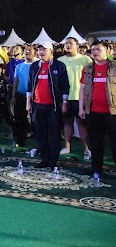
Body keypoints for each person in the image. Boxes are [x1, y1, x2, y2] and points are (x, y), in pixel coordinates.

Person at [26, 42, 70, 170]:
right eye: (39, 50)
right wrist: (28, 103)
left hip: (53, 106)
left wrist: (65, 102)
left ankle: (53, 161)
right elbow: (30, 86)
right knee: (40, 134)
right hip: (37, 106)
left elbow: (65, 86)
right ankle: (44, 159)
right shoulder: (35, 66)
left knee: (53, 134)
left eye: (44, 49)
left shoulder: (59, 66)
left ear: (51, 51)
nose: (41, 52)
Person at [79, 41, 116, 175]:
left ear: (107, 51)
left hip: (112, 112)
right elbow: (82, 88)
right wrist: (81, 108)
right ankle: (96, 168)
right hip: (93, 111)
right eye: (93, 49)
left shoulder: (114, 66)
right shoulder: (88, 68)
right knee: (95, 142)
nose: (95, 52)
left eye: (98, 49)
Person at [58, 37, 92, 157]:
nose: (68, 45)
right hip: (65, 97)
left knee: (82, 123)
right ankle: (67, 147)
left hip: (80, 97)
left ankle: (86, 148)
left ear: (77, 46)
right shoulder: (60, 60)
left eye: (71, 43)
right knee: (67, 122)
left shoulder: (85, 59)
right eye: (66, 43)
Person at [10, 45, 38, 147]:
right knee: (20, 119)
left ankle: (39, 142)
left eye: (30, 50)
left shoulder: (38, 65)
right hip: (21, 96)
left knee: (36, 120)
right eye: (26, 50)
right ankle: (20, 140)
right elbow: (16, 81)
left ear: (35, 52)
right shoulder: (19, 66)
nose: (27, 52)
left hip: (35, 97)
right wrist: (13, 96)